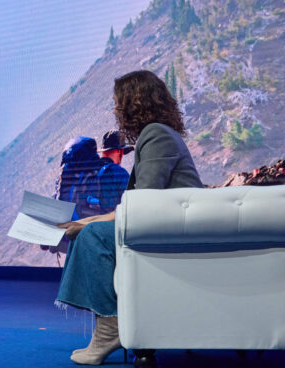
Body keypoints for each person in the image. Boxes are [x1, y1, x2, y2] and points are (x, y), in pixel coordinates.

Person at [55, 70, 203, 365]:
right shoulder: (159, 133)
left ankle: (110, 325)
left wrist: (88, 225)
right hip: (162, 226)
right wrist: (83, 222)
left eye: (118, 103)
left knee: (93, 237)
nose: (115, 110)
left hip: (169, 231)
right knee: (88, 231)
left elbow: (142, 203)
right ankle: (109, 325)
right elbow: (138, 203)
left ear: (134, 104)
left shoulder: (156, 134)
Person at [43, 132, 131, 255]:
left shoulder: (80, 178)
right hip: (106, 247)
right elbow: (134, 210)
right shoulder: (116, 173)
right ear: (120, 153)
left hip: (78, 251)